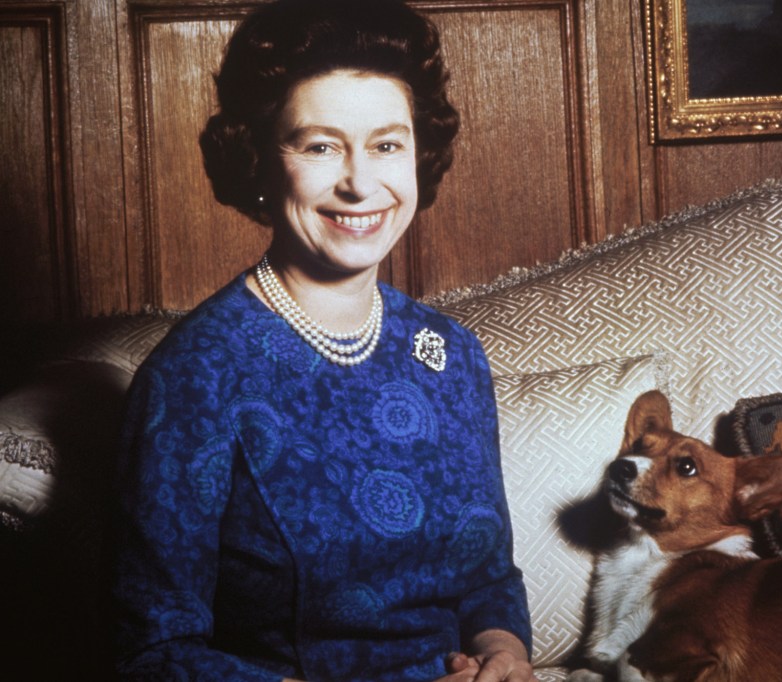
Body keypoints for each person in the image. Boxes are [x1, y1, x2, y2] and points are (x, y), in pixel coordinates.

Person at [110, 1, 535, 680]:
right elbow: (152, 654)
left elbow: (487, 579)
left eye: (387, 144)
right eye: (319, 145)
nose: (361, 183)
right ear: (258, 159)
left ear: (419, 157)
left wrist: (503, 655)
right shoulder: (195, 376)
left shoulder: (451, 354)